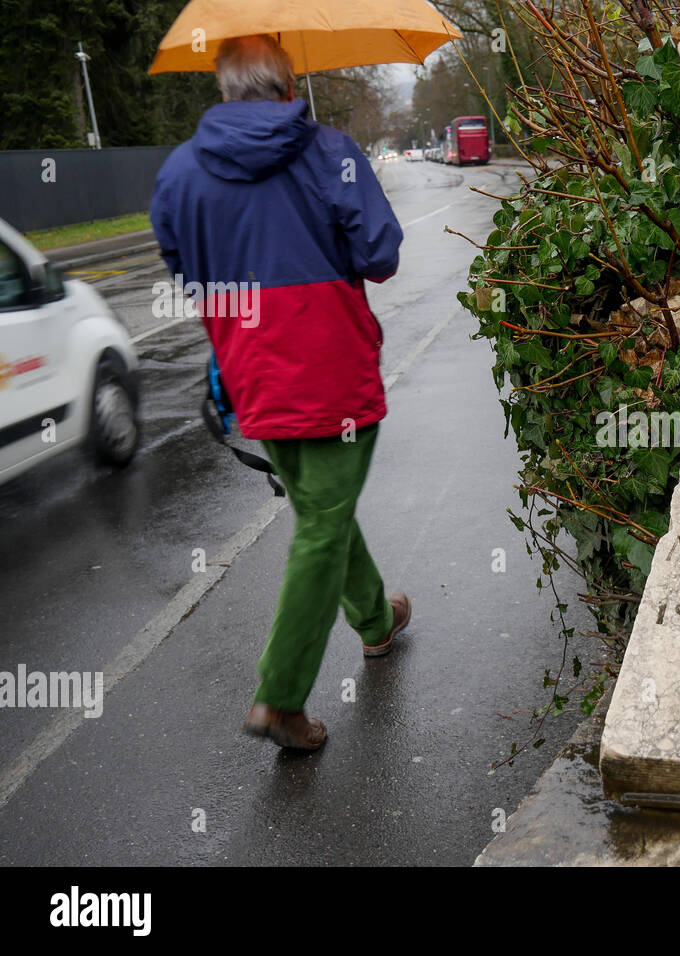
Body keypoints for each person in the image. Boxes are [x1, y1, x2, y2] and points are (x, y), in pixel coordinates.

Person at [150, 34, 410, 751]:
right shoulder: (330, 152)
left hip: (249, 371)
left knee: (322, 506)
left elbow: (183, 267)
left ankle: (376, 622)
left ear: (223, 90)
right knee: (323, 521)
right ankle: (280, 696)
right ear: (287, 85)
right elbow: (380, 255)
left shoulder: (177, 172)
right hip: (331, 370)